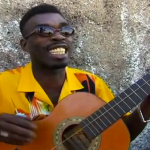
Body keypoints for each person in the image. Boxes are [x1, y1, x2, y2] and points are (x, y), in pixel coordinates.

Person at [0, 3, 150, 147]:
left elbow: (120, 135)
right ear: (25, 45)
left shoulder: (91, 84)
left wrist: (147, 108)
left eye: (65, 31)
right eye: (44, 31)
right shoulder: (3, 85)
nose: (59, 37)